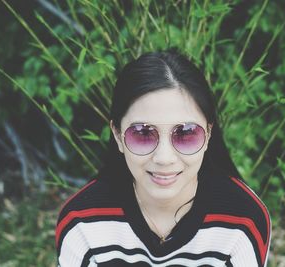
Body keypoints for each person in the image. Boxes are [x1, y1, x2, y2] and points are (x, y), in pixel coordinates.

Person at [55, 51, 271, 266]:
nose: (164, 158)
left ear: (208, 135)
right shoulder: (82, 222)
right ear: (118, 135)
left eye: (186, 132)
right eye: (142, 133)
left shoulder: (243, 221)